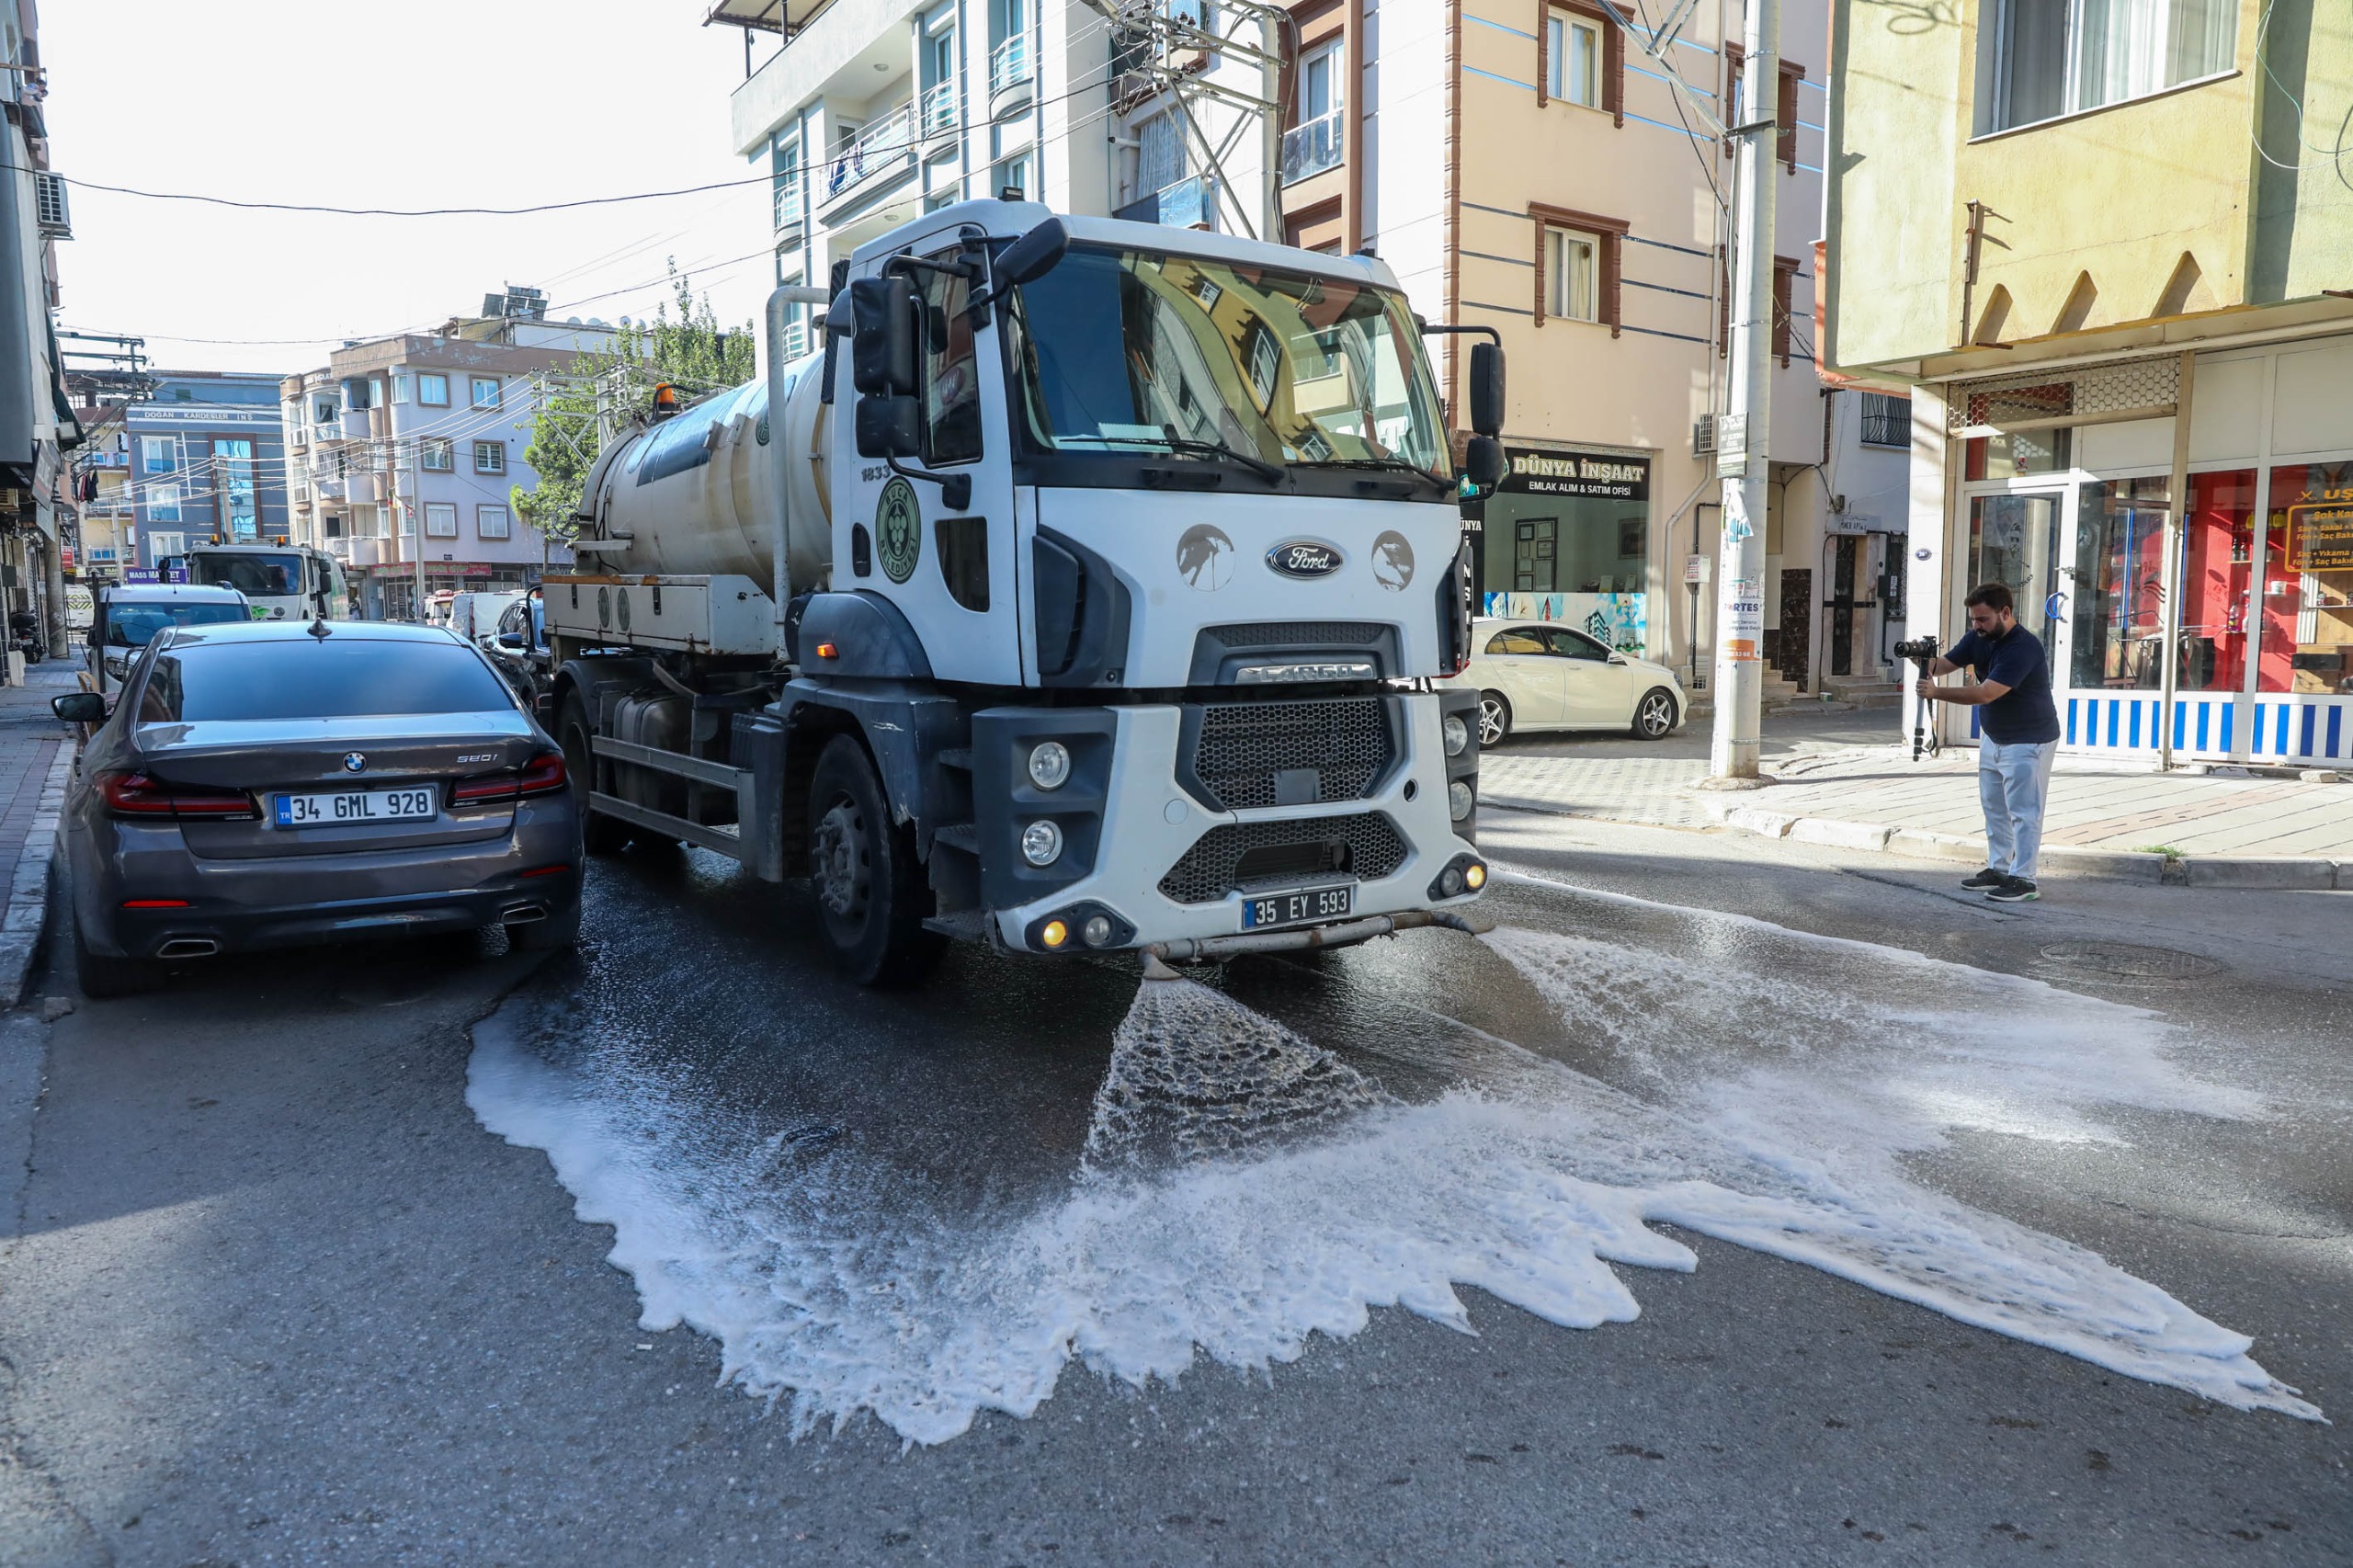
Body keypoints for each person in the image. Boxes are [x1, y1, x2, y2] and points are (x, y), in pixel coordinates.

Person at [1914, 582, 2063, 903]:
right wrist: (1920, 658)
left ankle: (2024, 879)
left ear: (2005, 613)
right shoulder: (1978, 638)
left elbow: (1986, 693)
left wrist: (1936, 693)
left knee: (2024, 812)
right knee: (1995, 808)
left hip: (2029, 740)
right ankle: (1999, 867)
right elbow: (1943, 665)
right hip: (1994, 737)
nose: (1976, 626)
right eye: (1973, 620)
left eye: (1982, 619)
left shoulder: (2023, 647)